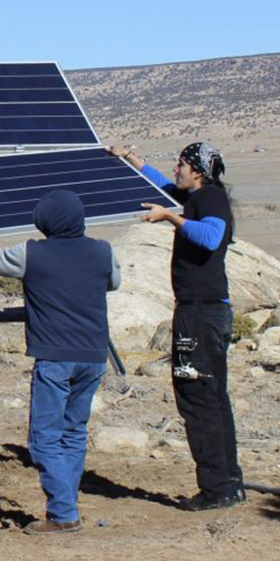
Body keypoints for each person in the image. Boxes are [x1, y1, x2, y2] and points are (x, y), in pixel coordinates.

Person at [0, 190, 120, 534]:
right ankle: (66, 506)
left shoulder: (33, 254)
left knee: (44, 439)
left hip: (55, 357)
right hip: (94, 356)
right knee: (74, 433)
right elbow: (113, 282)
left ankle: (63, 514)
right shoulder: (102, 251)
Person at [107, 142, 244, 511]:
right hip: (206, 312)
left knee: (197, 398)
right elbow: (163, 189)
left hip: (200, 314)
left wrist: (171, 219)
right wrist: (130, 159)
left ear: (197, 170)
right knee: (214, 398)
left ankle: (216, 489)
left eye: (182, 163)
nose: (177, 168)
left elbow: (211, 236)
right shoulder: (199, 196)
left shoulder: (210, 200)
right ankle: (229, 483)